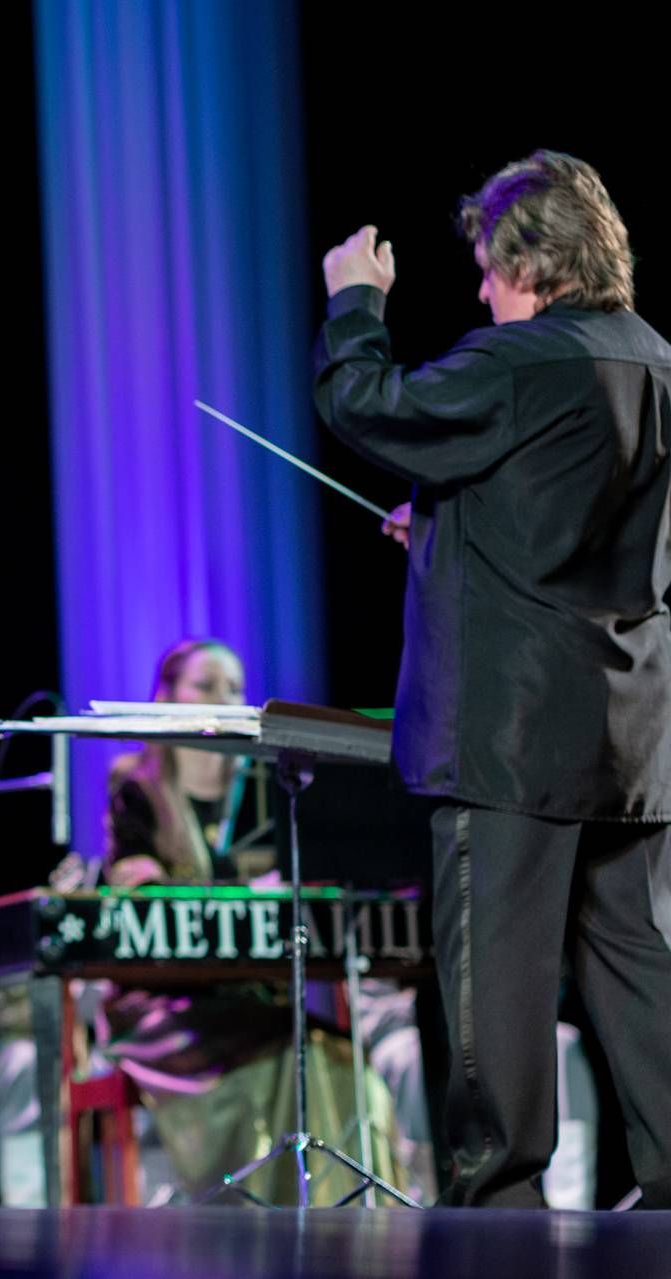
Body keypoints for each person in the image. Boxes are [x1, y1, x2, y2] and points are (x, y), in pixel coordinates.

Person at [315, 150, 671, 1208]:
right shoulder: (655, 359)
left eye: (486, 268)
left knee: (496, 990)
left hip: (510, 738)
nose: (480, 291)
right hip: (633, 734)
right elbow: (574, 518)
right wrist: (446, 526)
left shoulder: (518, 361)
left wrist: (354, 302)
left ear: (529, 261)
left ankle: (500, 1220)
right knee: (642, 971)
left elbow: (368, 405)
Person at [94, 639, 400, 1204]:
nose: (223, 698)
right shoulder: (135, 786)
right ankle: (247, 1210)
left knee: (334, 1053)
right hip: (164, 1007)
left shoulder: (267, 787)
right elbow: (136, 893)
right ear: (166, 696)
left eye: (234, 688)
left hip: (250, 994)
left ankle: (339, 1215)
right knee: (283, 1051)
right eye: (205, 685)